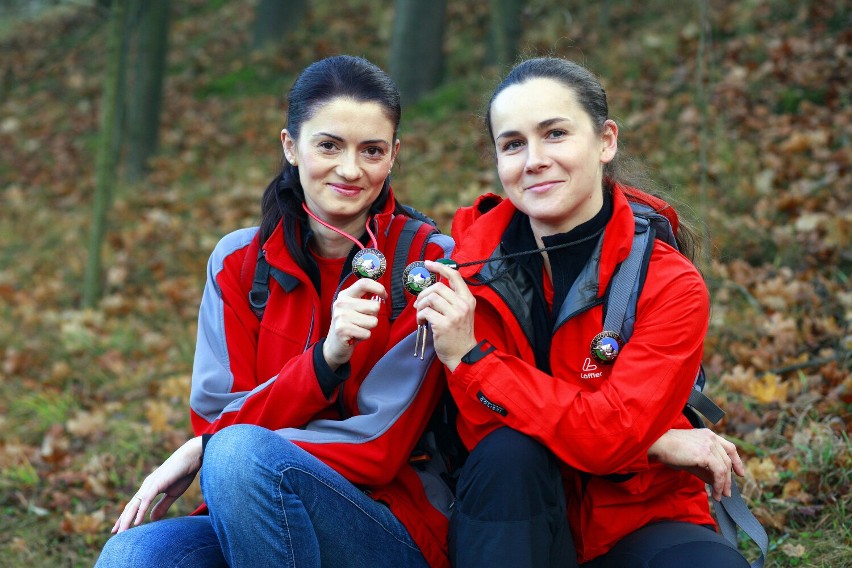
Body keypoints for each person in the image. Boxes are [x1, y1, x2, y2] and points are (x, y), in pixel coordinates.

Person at [96, 55, 455, 568]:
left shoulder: (425, 264)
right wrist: (323, 362)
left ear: (394, 155)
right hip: (251, 511)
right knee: (132, 558)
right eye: (328, 145)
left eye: (371, 150)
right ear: (290, 145)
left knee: (238, 453)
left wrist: (208, 448)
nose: (350, 169)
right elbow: (218, 416)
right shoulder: (239, 263)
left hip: (388, 524)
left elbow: (380, 446)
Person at [413, 57, 751, 567]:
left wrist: (475, 360)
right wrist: (659, 442)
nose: (534, 160)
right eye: (513, 144)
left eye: (555, 134)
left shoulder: (669, 282)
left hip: (638, 518)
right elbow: (485, 431)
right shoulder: (463, 269)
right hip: (515, 522)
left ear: (605, 141)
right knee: (508, 454)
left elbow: (611, 436)